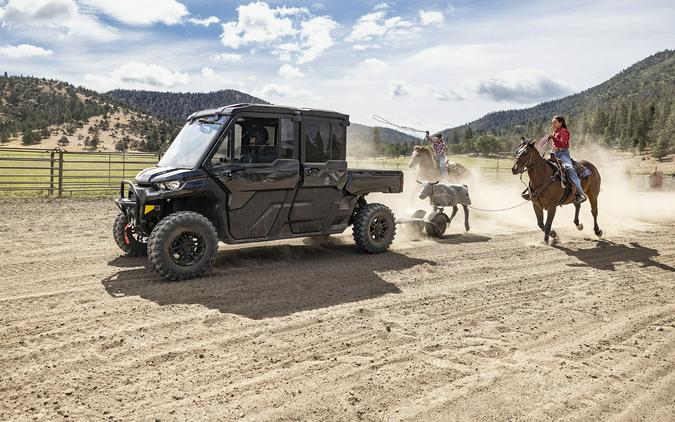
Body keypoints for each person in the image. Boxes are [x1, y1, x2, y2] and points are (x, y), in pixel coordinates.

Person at [549, 116, 587, 203]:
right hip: (554, 154)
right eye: (552, 122)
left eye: (555, 122)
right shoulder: (555, 132)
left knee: (570, 168)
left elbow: (563, 144)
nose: (552, 124)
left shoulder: (564, 132)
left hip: (562, 154)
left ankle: (579, 192)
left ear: (561, 123)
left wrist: (553, 138)